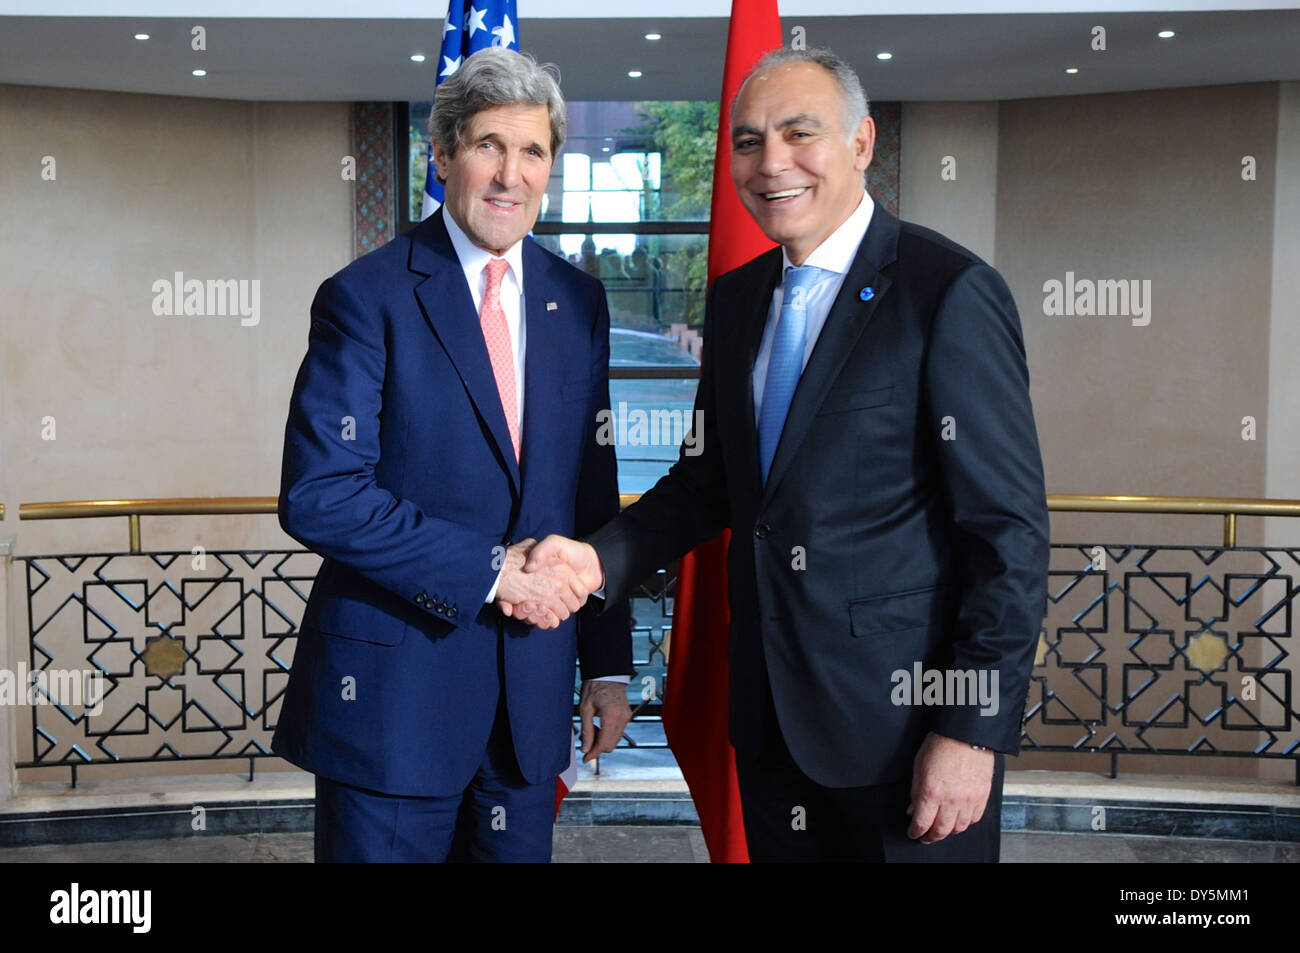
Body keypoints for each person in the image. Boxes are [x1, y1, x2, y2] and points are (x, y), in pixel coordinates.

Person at [515, 47, 1049, 862]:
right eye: (749, 141)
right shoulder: (739, 299)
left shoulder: (947, 292)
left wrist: (970, 732)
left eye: (800, 135)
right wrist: (593, 561)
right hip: (770, 729)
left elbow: (1007, 537)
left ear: (862, 143)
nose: (772, 165)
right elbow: (707, 485)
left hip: (907, 736)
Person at [272, 46, 633, 863]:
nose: (510, 174)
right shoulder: (366, 296)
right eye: (488, 146)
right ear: (442, 156)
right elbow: (321, 491)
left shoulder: (577, 300)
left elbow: (593, 492)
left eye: (532, 151)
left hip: (530, 707)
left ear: (552, 166)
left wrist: (607, 666)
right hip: (393, 711)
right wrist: (492, 571)